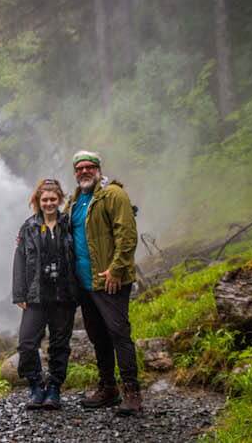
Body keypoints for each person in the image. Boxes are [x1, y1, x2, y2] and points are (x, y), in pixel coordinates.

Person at [65, 150, 141, 416]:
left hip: (110, 280)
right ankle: (108, 388)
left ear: (98, 169)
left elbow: (127, 233)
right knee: (98, 337)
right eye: (79, 168)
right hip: (85, 284)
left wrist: (117, 269)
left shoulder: (113, 194)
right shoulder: (74, 202)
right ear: (75, 173)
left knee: (119, 334)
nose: (84, 171)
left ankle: (132, 392)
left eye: (89, 167)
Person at [12, 179, 77, 410]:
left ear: (59, 200)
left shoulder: (69, 224)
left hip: (64, 295)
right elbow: (19, 261)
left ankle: (54, 389)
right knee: (27, 343)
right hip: (36, 296)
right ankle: (36, 387)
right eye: (44, 199)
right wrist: (19, 293)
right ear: (37, 202)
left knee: (60, 344)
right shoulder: (28, 228)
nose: (49, 203)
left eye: (52, 199)